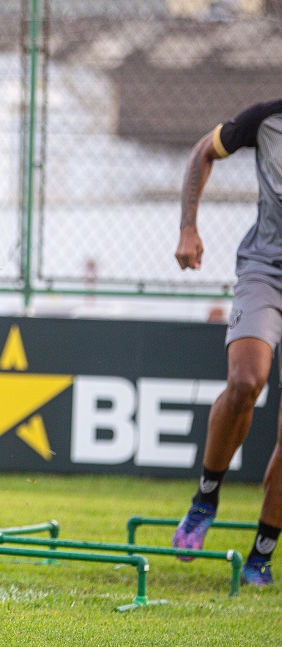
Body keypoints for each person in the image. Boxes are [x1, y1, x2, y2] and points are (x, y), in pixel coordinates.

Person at [173, 98, 282, 586]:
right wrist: (188, 227)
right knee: (245, 381)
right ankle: (205, 498)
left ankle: (262, 553)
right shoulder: (267, 120)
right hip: (266, 271)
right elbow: (203, 151)